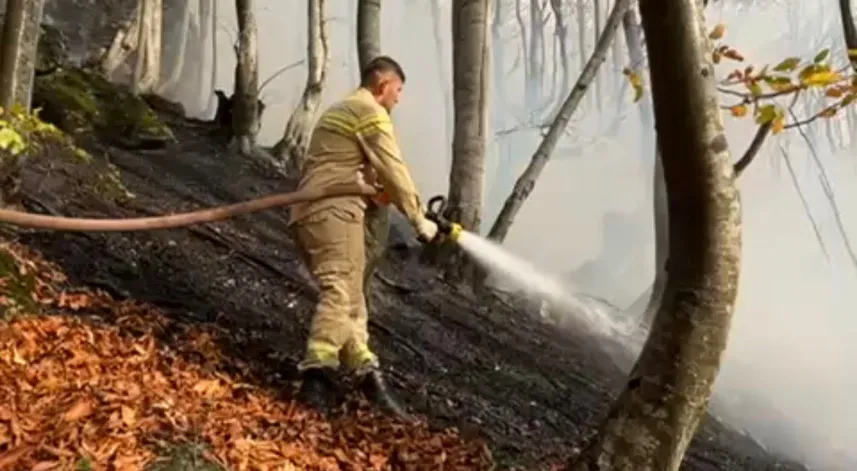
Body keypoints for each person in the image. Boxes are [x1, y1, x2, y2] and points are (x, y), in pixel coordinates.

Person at [288, 55, 439, 418]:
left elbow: (362, 173)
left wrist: (378, 192)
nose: (398, 99)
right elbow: (394, 168)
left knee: (353, 299)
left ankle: (367, 373)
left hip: (315, 209)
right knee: (341, 290)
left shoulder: (342, 109)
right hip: (333, 209)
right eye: (398, 91)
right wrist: (418, 218)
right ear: (383, 85)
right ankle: (317, 375)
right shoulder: (370, 112)